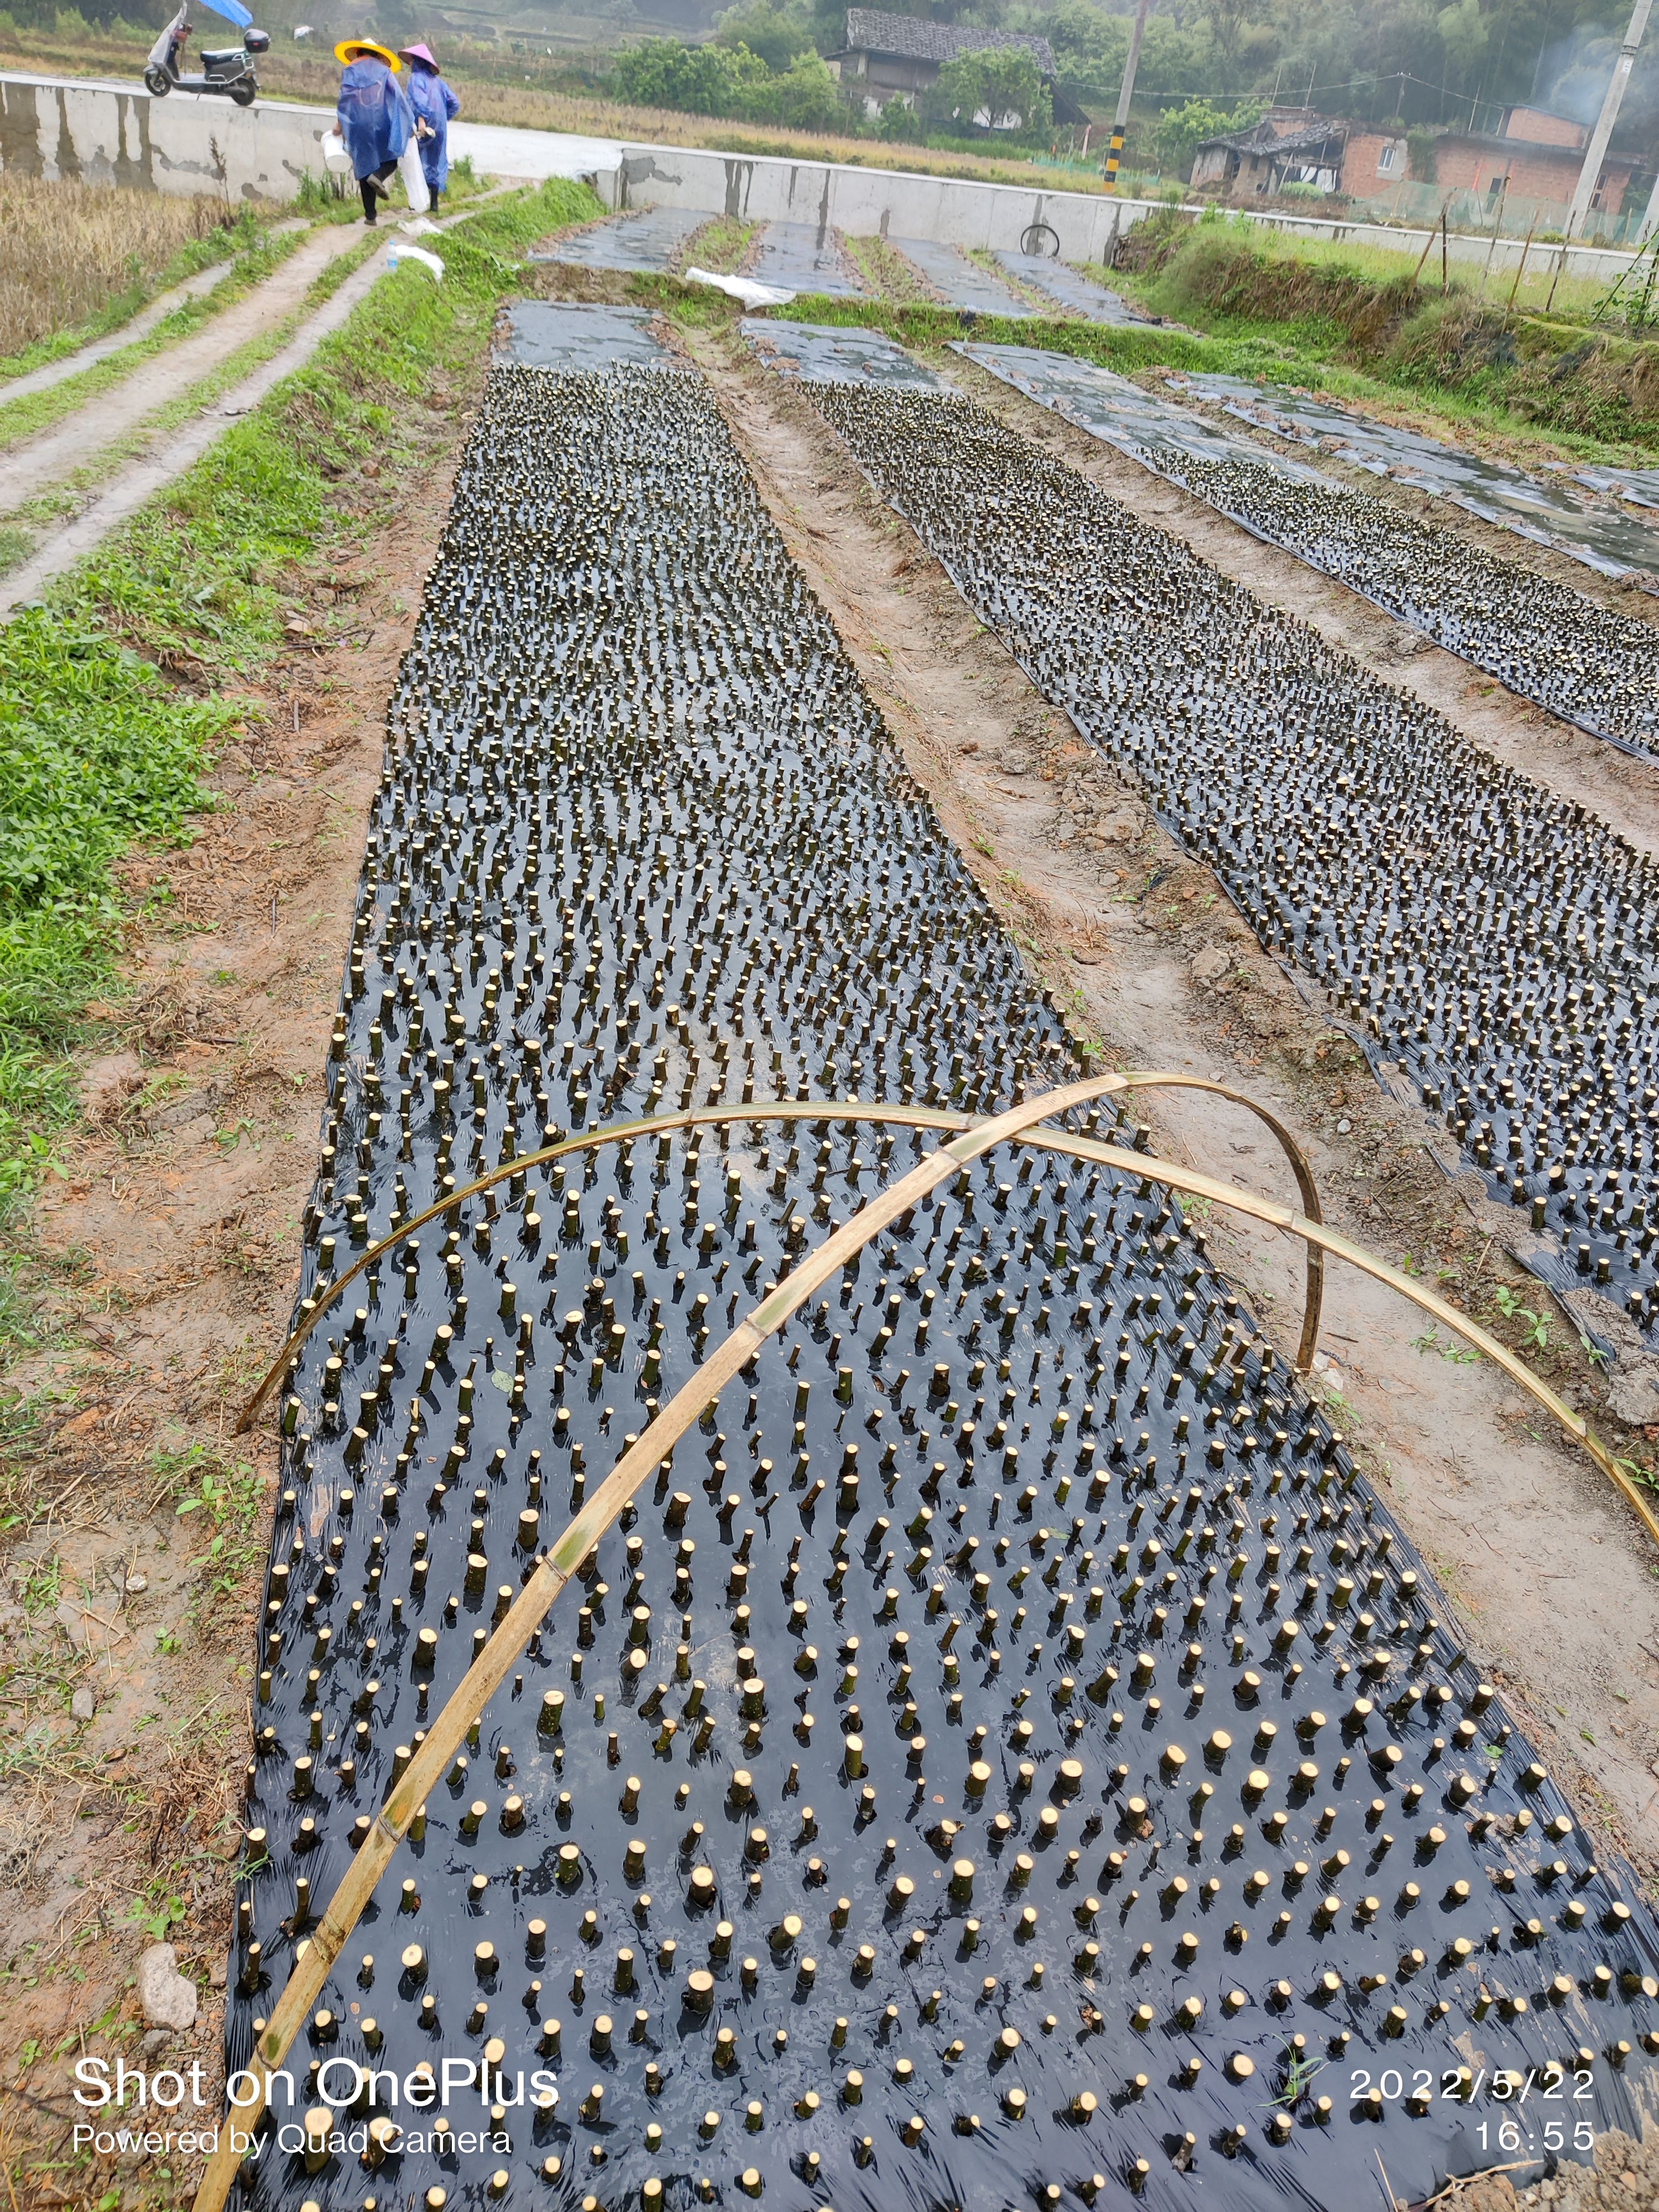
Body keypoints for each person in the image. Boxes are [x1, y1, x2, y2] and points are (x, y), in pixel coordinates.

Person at [334, 37, 414, 226]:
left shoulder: (350, 69)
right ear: (378, 54)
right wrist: (408, 122)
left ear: (359, 52)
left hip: (356, 123)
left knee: (363, 165)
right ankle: (378, 177)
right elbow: (397, 97)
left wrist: (340, 125)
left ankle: (371, 216)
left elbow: (345, 99)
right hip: (380, 122)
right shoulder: (384, 71)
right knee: (391, 159)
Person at [399, 43, 461, 206]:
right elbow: (454, 102)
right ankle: (434, 204)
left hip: (423, 124)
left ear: (417, 61)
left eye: (412, 61)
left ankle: (419, 202)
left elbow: (419, 102)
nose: (410, 64)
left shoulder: (416, 79)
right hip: (440, 126)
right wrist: (443, 118)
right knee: (437, 160)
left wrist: (423, 119)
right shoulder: (439, 83)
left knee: (419, 160)